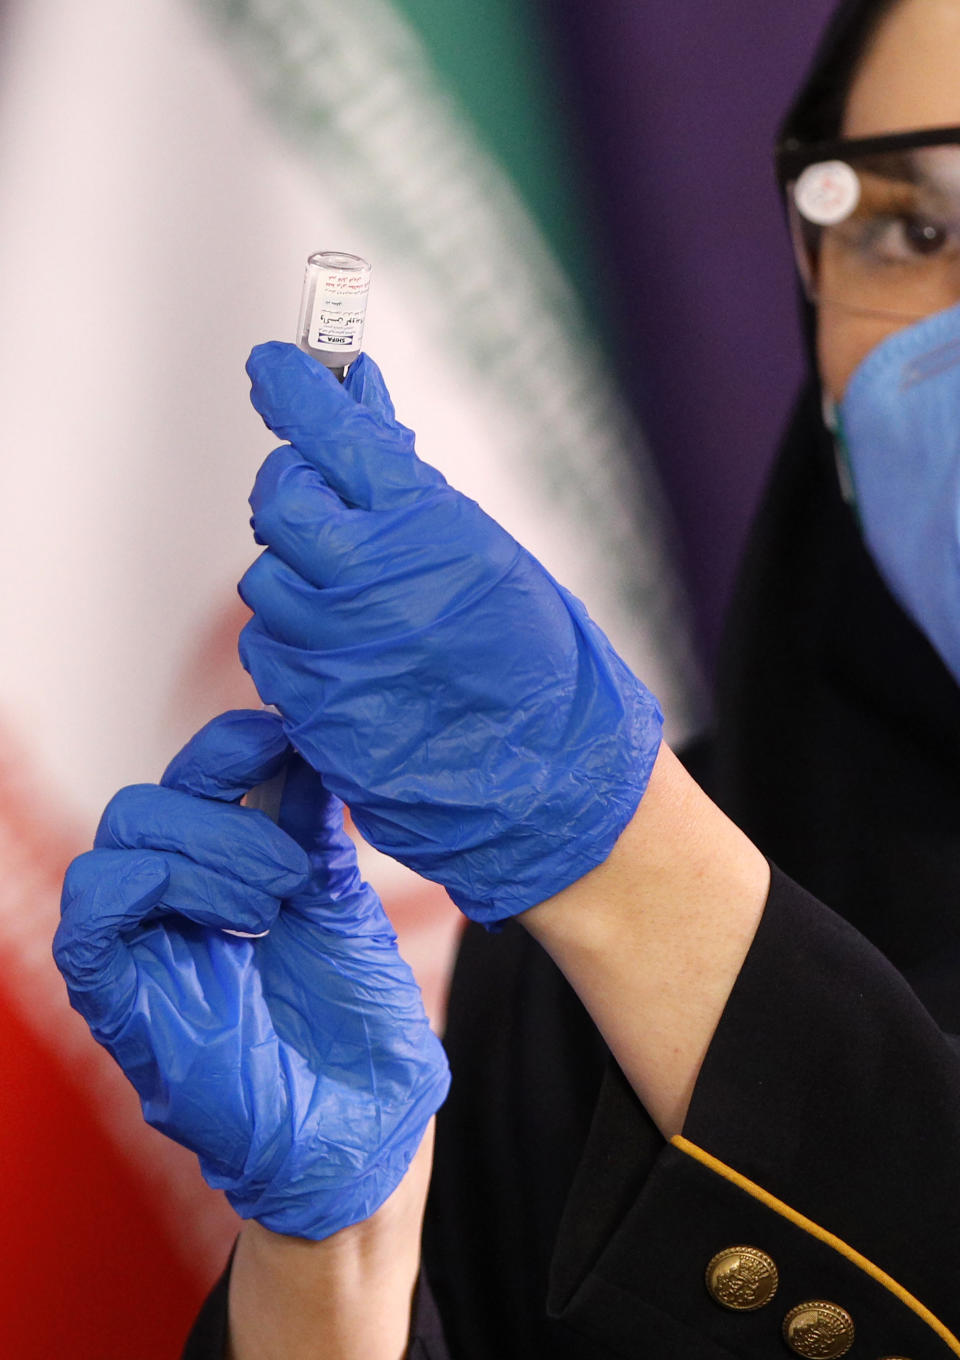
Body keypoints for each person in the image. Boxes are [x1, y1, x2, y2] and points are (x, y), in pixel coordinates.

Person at [52, 0, 960, 1355]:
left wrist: (631, 869)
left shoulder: (627, 879)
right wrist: (333, 1274)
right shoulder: (605, 917)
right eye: (914, 226)